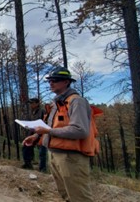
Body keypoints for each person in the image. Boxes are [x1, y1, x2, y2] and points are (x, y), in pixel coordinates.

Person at [22, 67, 93, 202]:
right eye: (50, 81)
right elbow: (50, 126)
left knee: (79, 197)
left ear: (66, 82)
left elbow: (81, 130)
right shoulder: (56, 103)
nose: (51, 83)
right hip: (54, 154)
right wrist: (36, 137)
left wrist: (48, 132)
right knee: (65, 194)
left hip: (71, 158)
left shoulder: (76, 101)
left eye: (55, 80)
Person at [21, 98, 45, 170]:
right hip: (32, 132)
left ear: (37, 103)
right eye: (30, 103)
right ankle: (27, 163)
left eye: (32, 103)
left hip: (41, 133)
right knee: (26, 146)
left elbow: (45, 122)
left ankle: (42, 169)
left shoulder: (42, 111)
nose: (31, 104)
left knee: (42, 151)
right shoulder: (32, 112)